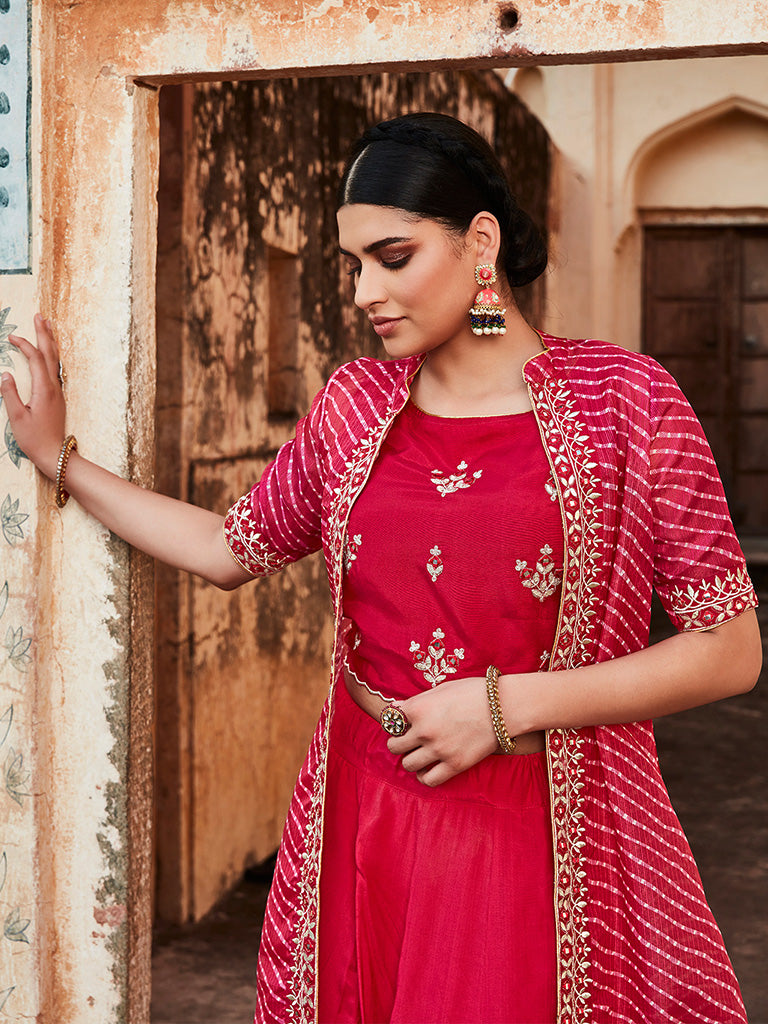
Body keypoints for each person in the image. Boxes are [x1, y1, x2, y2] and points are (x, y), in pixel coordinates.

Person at [1, 112, 761, 1024]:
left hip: (546, 818)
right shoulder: (356, 405)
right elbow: (223, 549)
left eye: (392, 258)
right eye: (352, 264)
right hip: (368, 808)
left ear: (481, 243)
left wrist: (501, 706)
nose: (365, 291)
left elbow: (728, 648)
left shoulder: (623, 400)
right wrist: (60, 460)